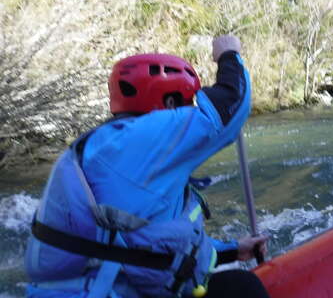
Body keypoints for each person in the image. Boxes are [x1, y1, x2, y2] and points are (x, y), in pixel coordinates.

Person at [24, 35, 271, 298]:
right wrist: (229, 55)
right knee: (244, 289)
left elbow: (145, 240)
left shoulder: (111, 144)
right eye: (185, 103)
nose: (187, 111)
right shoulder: (145, 137)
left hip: (91, 287)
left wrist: (231, 250)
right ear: (170, 103)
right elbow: (229, 109)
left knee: (235, 283)